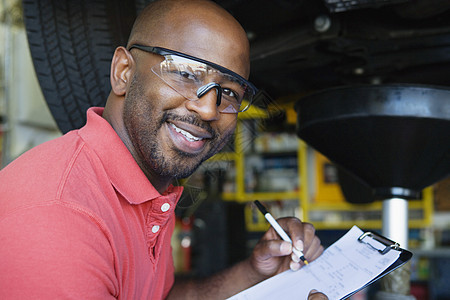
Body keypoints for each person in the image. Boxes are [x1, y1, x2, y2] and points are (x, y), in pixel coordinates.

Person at [0, 0, 328, 299]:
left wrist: (256, 272)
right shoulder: (60, 216)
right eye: (185, 73)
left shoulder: (149, 182)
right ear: (123, 73)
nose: (209, 110)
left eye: (228, 93)